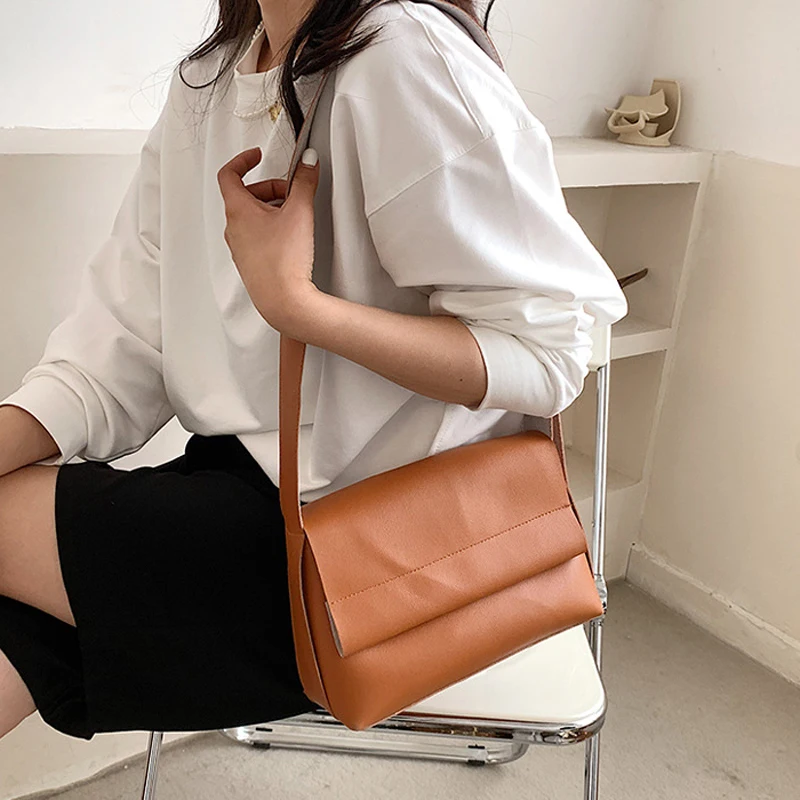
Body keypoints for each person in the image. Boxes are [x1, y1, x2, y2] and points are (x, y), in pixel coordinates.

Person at [0, 0, 628, 741]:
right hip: (251, 497)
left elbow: (549, 352)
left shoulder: (400, 53)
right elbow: (124, 342)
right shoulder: (206, 82)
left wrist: (300, 308)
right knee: (27, 620)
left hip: (386, 555)